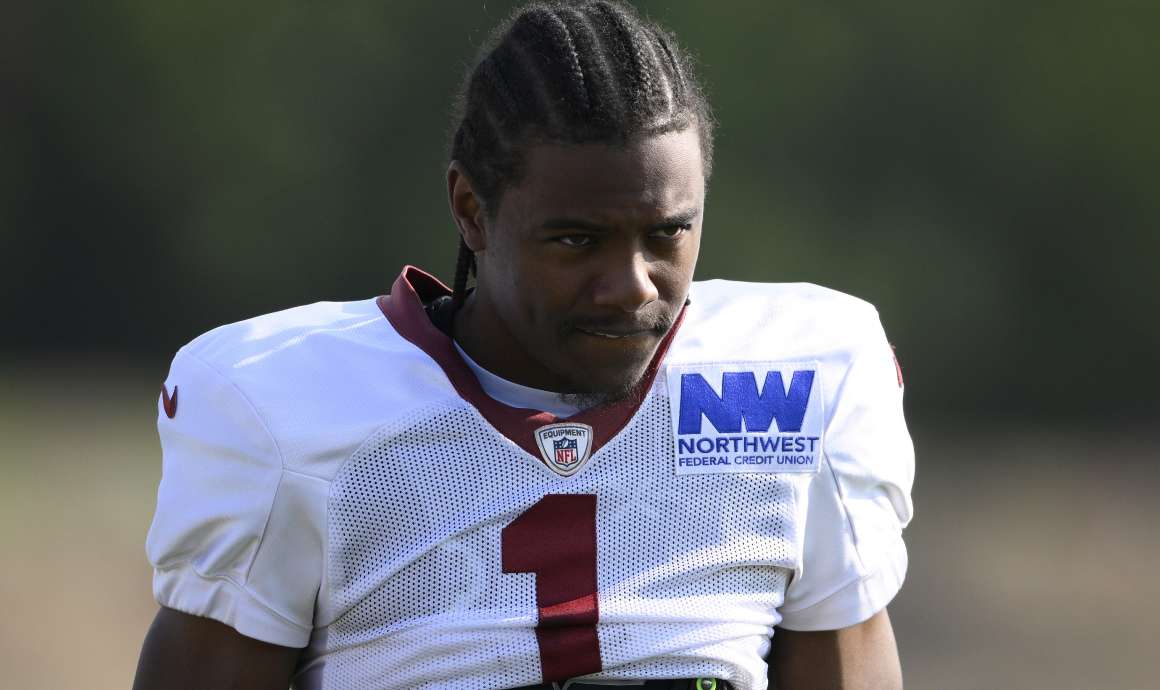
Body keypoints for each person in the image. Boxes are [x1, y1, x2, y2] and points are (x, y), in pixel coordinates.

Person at [132, 2, 914, 689]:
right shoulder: (282, 407)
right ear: (471, 209)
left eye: (667, 234)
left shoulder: (799, 379)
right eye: (577, 240)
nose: (634, 286)